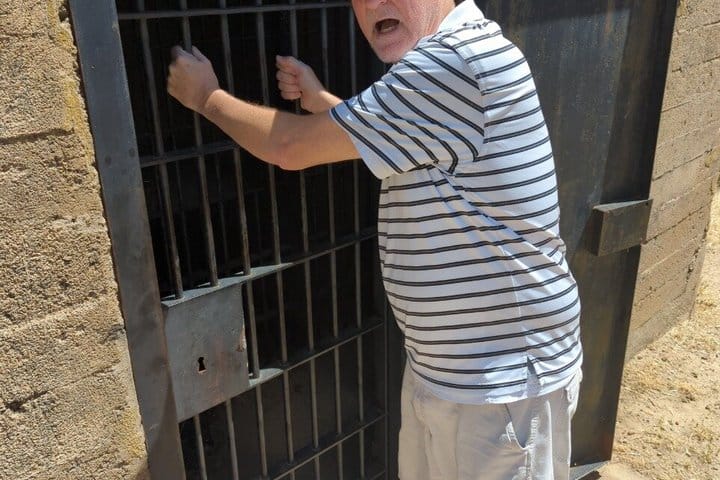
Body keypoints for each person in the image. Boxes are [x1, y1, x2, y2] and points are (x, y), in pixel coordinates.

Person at [167, 0, 583, 478]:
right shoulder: (450, 60)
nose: (372, 3)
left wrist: (206, 97)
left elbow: (289, 146)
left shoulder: (454, 61)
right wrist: (321, 101)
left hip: (501, 383)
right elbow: (397, 140)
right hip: (453, 371)